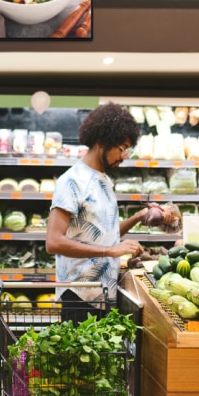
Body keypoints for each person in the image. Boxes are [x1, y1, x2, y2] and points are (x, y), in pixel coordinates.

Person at [46, 102, 149, 324]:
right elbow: (53, 242)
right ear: (102, 140)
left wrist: (137, 218)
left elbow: (104, 234)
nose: (124, 156)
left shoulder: (104, 180)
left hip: (103, 293)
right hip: (79, 295)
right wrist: (111, 251)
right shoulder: (72, 181)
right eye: (122, 147)